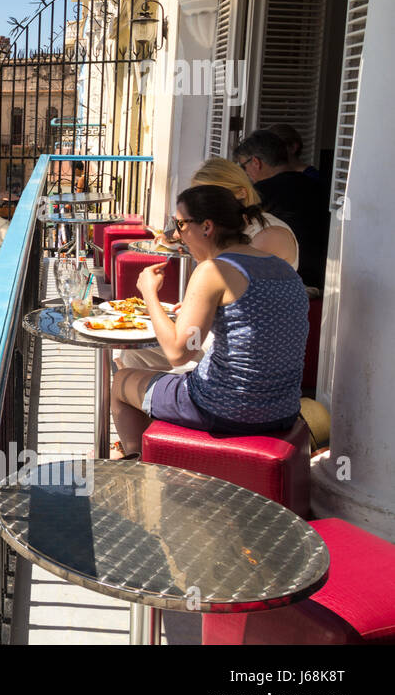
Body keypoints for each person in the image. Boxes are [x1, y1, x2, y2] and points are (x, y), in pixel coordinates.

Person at [110, 185, 308, 458]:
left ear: (206, 227)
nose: (176, 236)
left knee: (121, 381)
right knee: (162, 372)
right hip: (282, 411)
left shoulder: (213, 270)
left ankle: (137, 466)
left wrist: (149, 294)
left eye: (180, 224)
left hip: (224, 409)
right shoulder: (282, 268)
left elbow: (179, 353)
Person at [234, 130, 329, 290]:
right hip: (324, 278)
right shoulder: (318, 184)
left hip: (292, 282)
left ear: (256, 162)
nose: (246, 173)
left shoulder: (260, 193)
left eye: (244, 166)